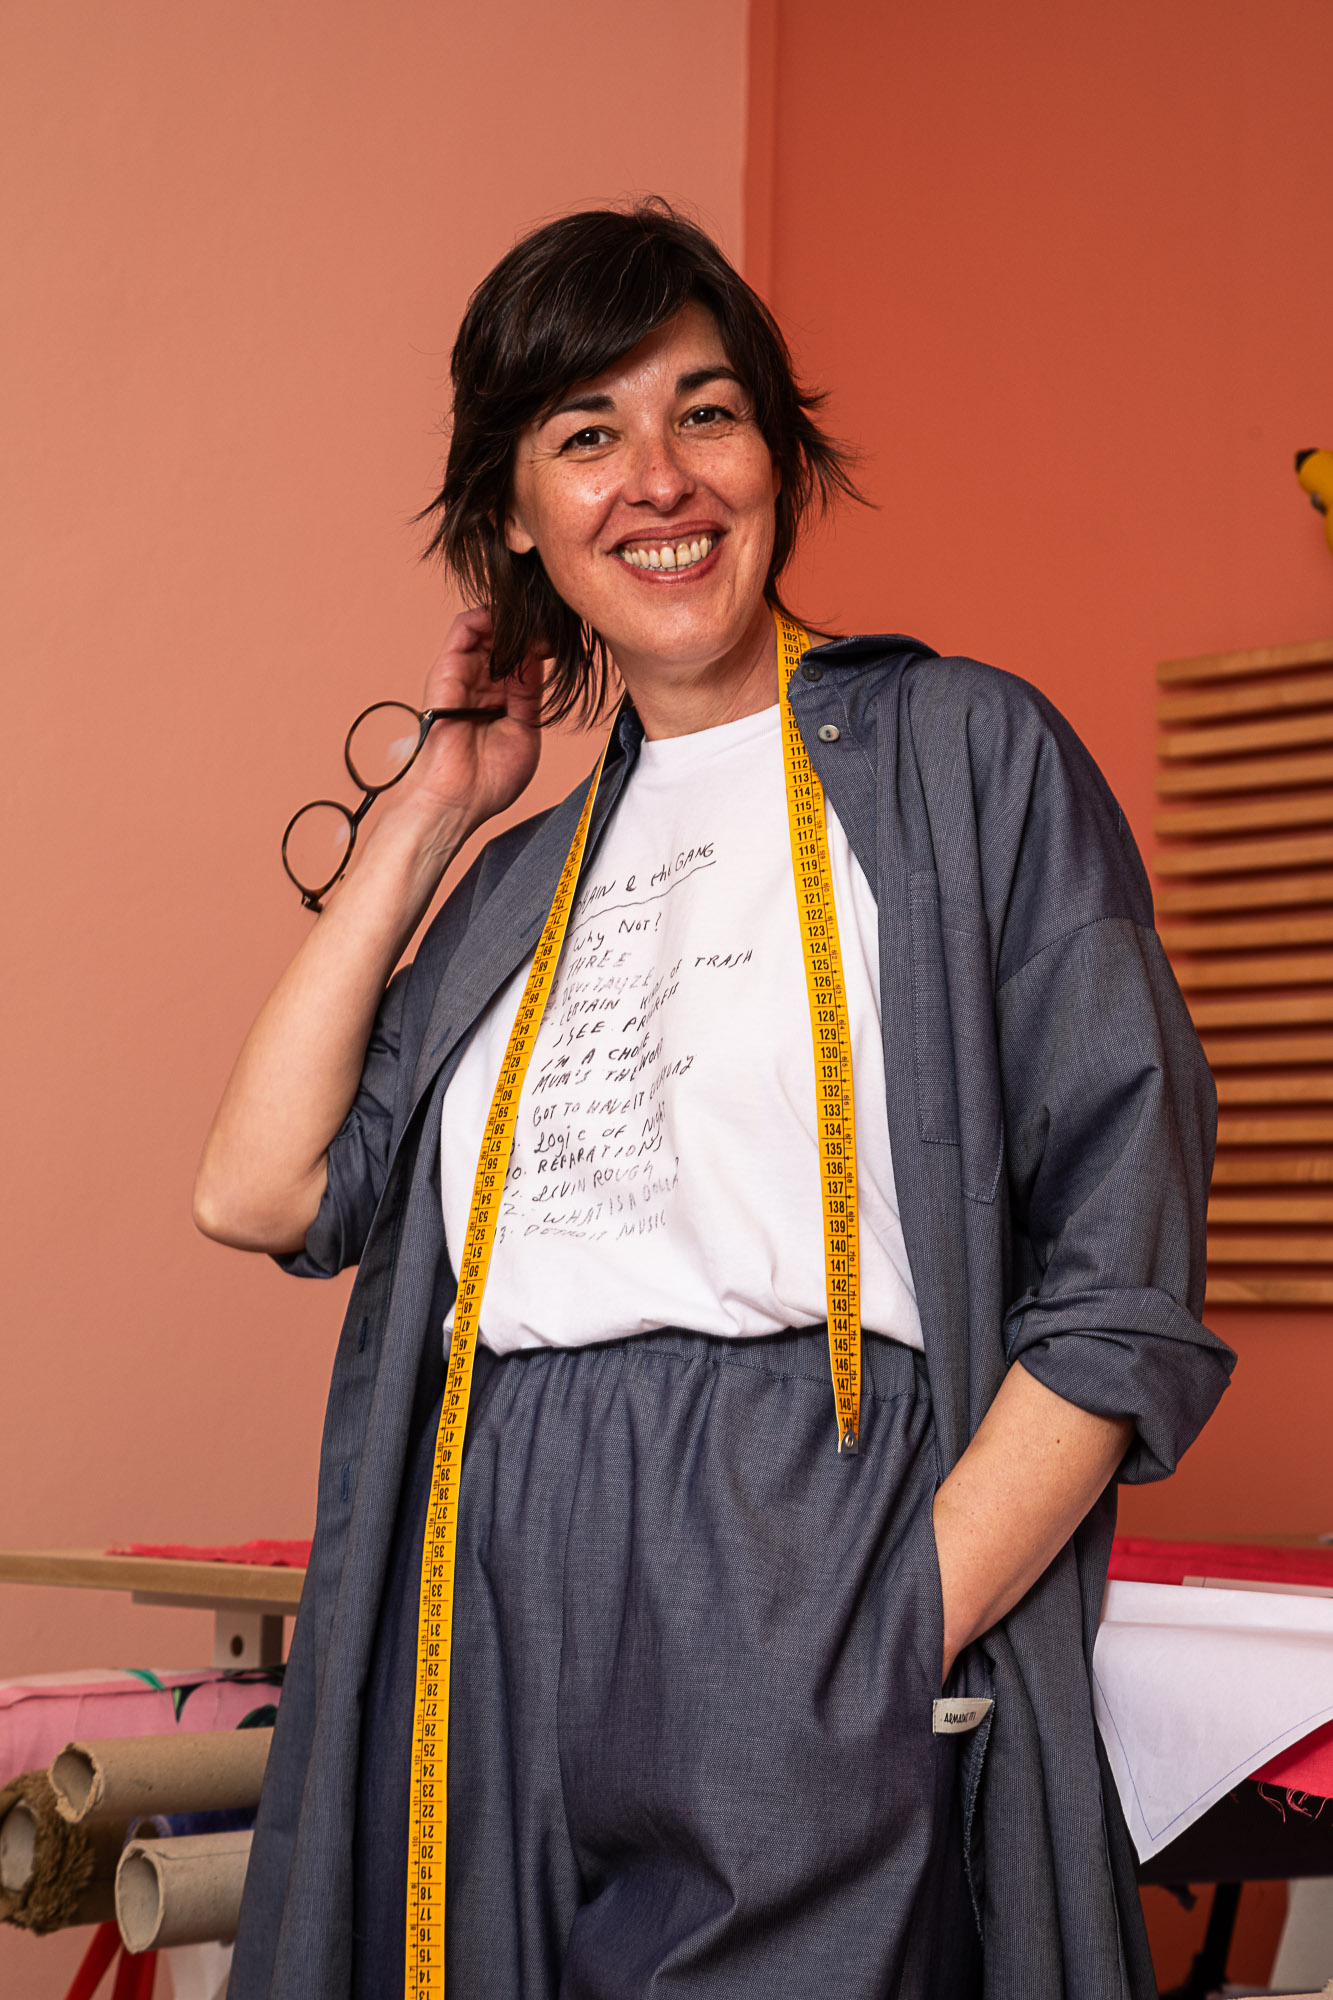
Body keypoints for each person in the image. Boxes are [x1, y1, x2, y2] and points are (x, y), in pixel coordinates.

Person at [195, 202, 1234, 2000]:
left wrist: (887, 1623)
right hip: (488, 1570)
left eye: (706, 412)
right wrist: (428, 814)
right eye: (585, 436)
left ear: (777, 458)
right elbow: (263, 1189)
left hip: (797, 1537)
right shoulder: (522, 872)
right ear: (516, 517)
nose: (658, 479)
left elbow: (1118, 1278)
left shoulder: (961, 755)